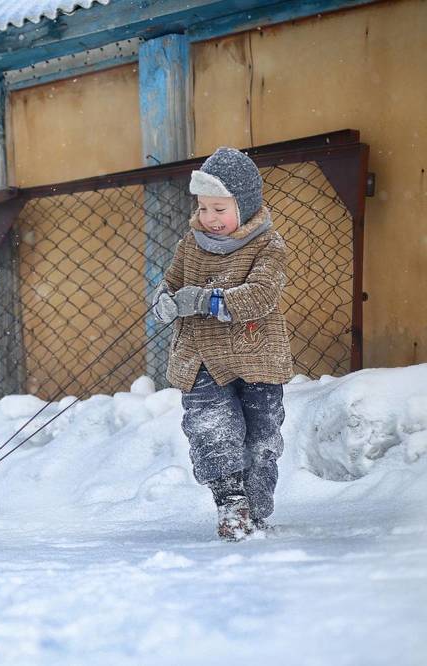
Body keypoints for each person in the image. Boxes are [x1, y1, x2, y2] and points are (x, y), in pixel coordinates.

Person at [152, 147, 293, 541]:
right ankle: (230, 501)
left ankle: (257, 507)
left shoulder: (268, 246)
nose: (209, 219)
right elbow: (172, 281)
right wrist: (164, 300)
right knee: (212, 427)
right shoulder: (190, 244)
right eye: (203, 209)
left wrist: (208, 300)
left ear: (245, 206)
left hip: (255, 356)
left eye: (220, 209)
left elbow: (262, 295)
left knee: (260, 436)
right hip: (199, 357)